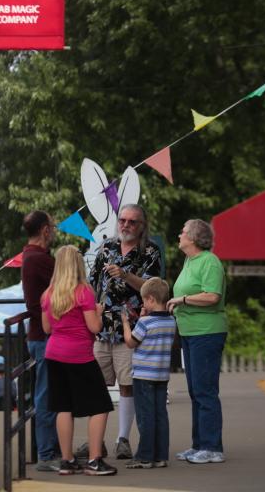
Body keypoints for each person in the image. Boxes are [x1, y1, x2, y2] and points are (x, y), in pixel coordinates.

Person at [83, 204, 162, 460]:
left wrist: (126, 275)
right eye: (123, 220)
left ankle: (122, 440)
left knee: (128, 386)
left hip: (131, 330)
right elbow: (92, 284)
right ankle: (96, 442)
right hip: (102, 328)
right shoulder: (106, 248)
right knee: (96, 386)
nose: (126, 225)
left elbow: (152, 288)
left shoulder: (150, 252)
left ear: (142, 226)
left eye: (132, 222)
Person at [42, 245, 117, 476]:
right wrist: (98, 311)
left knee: (63, 407)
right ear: (77, 265)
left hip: (53, 354)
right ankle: (95, 460)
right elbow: (94, 327)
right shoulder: (83, 292)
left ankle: (66, 460)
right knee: (101, 405)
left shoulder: (48, 294)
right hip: (79, 356)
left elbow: (46, 328)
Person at [166, 218, 227, 464]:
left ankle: (213, 447)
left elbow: (212, 296)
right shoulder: (189, 261)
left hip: (207, 332)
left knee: (205, 390)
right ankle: (199, 444)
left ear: (193, 237)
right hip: (190, 332)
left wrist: (182, 300)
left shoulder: (209, 261)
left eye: (182, 231)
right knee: (195, 390)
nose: (179, 234)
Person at [120, 277, 176, 469]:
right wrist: (145, 316)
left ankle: (144, 456)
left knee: (145, 416)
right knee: (160, 414)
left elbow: (131, 342)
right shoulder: (171, 320)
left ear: (151, 299)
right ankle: (160, 456)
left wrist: (127, 323)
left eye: (144, 300)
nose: (143, 304)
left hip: (143, 375)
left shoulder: (144, 323)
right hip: (161, 375)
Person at [21, 209, 61, 471]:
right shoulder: (40, 260)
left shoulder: (32, 256)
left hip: (40, 334)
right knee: (47, 396)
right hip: (45, 336)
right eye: (53, 226)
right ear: (45, 230)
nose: (55, 230)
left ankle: (54, 449)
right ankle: (47, 454)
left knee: (50, 394)